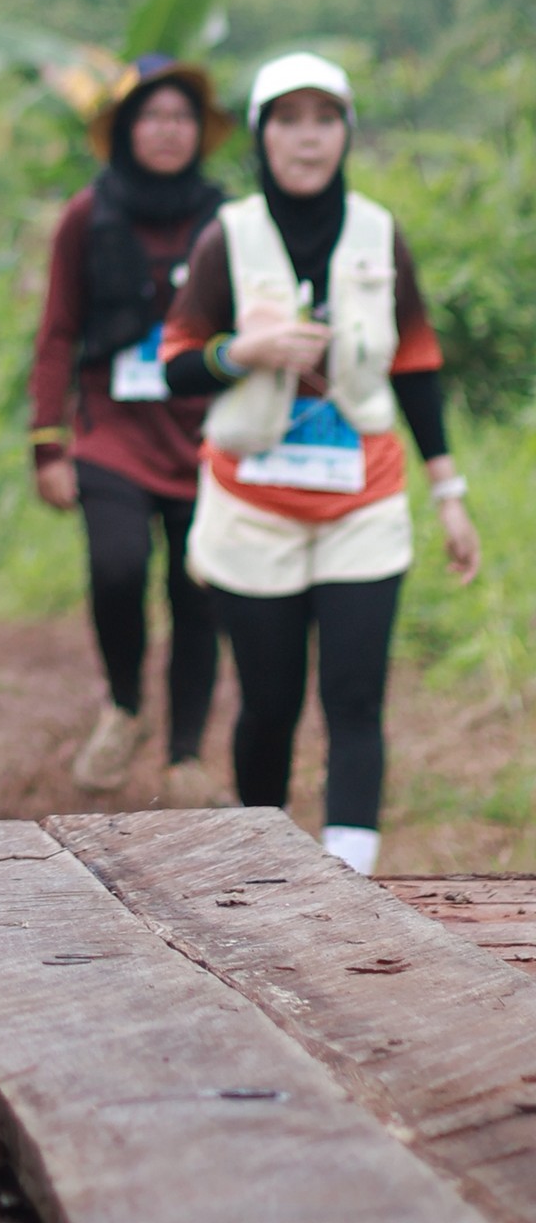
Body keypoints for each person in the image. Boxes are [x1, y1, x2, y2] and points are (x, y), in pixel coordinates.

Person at [162, 49, 480, 874]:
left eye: (325, 119)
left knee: (355, 698)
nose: (308, 138)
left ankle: (350, 881)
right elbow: (177, 365)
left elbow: (415, 366)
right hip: (253, 507)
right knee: (269, 706)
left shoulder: (379, 233)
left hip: (362, 506)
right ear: (261, 135)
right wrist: (245, 350)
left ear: (346, 132)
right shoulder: (228, 237)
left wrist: (449, 493)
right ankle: (266, 871)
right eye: (288, 120)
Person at [30, 54, 230, 800]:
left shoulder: (229, 221)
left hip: (206, 435)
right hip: (111, 429)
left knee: (198, 588)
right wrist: (47, 444)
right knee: (117, 567)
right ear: (124, 131)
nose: (168, 131)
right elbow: (58, 331)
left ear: (199, 131)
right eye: (152, 117)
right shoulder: (88, 216)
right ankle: (124, 705)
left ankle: (185, 756)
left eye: (182, 117)